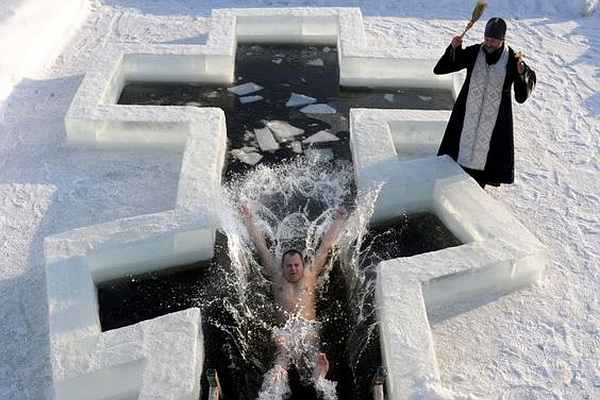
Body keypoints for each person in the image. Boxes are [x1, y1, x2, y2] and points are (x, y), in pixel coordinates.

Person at [240, 204, 348, 400]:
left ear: (303, 264)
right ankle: (278, 378)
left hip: (307, 327)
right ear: (282, 266)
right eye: (288, 265)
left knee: (312, 348)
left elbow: (325, 247)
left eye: (296, 265)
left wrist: (338, 220)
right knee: (282, 349)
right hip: (284, 330)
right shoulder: (277, 276)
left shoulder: (310, 275)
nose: (292, 269)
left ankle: (319, 374)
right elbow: (261, 246)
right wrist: (248, 218)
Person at [434, 17, 536, 188]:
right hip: (467, 111)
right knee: (458, 153)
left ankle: (480, 184)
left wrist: (522, 73)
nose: (489, 44)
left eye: (493, 41)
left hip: (495, 118)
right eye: (487, 39)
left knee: (488, 154)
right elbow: (441, 69)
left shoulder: (512, 59)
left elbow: (521, 95)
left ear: (502, 40)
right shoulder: (475, 52)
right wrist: (454, 48)